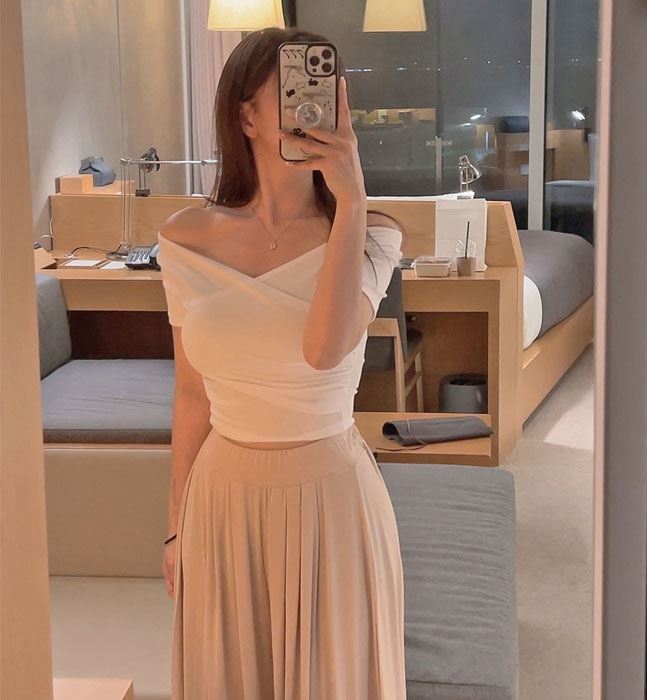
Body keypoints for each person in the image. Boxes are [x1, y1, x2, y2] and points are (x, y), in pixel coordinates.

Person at [157, 27, 407, 700]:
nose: (314, 109)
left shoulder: (374, 234)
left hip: (331, 498)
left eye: (327, 92)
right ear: (246, 116)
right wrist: (176, 526)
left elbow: (324, 351)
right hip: (222, 499)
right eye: (293, 93)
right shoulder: (185, 238)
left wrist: (351, 201)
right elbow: (191, 394)